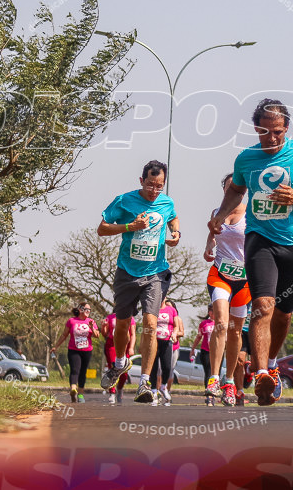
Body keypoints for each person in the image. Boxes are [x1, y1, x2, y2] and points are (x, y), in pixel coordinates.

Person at [208, 99, 293, 406]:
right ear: (256, 128)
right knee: (263, 306)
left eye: (277, 131)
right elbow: (237, 189)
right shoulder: (247, 158)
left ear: (286, 128)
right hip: (259, 240)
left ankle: (272, 364)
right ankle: (261, 372)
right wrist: (221, 215)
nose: (272, 137)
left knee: (283, 315)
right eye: (265, 131)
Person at [97, 160, 181, 403]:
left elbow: (173, 218)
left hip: (155, 272)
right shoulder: (124, 200)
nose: (155, 191)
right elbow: (102, 229)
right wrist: (129, 226)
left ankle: (145, 383)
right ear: (141, 180)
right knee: (122, 325)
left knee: (150, 323)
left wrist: (175, 233)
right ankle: (120, 363)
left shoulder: (167, 202)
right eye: (151, 185)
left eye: (160, 186)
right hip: (127, 271)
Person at [203, 174, 251, 406]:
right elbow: (212, 234)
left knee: (235, 332)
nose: (232, 191)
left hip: (244, 281)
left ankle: (229, 382)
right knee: (221, 322)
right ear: (224, 190)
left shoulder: (251, 216)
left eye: (236, 188)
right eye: (228, 187)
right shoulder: (216, 213)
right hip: (220, 274)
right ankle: (213, 378)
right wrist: (208, 247)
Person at [52, 302, 100, 403]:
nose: (88, 311)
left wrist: (91, 327)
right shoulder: (71, 321)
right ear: (80, 309)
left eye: (89, 310)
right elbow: (64, 335)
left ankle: (81, 394)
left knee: (83, 372)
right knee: (75, 370)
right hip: (74, 350)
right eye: (86, 309)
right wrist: (56, 346)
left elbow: (97, 335)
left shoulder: (91, 321)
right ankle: (73, 389)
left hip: (87, 351)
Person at [149, 296, 178, 406]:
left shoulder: (172, 310)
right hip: (154, 342)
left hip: (167, 342)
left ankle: (163, 386)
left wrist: (174, 334)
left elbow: (176, 326)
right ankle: (153, 391)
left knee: (167, 367)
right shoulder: (153, 309)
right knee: (154, 368)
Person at [103, 310, 136, 404]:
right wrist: (104, 326)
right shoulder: (110, 317)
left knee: (124, 372)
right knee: (112, 369)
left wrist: (131, 347)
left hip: (125, 345)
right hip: (112, 345)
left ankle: (120, 389)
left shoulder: (130, 317)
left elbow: (133, 334)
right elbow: (105, 334)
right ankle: (112, 392)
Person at [190, 306, 216, 405]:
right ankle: (209, 396)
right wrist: (193, 349)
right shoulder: (204, 324)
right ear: (210, 312)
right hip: (206, 351)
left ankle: (214, 392)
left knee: (215, 373)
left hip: (217, 352)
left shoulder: (221, 322)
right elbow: (198, 337)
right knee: (208, 372)